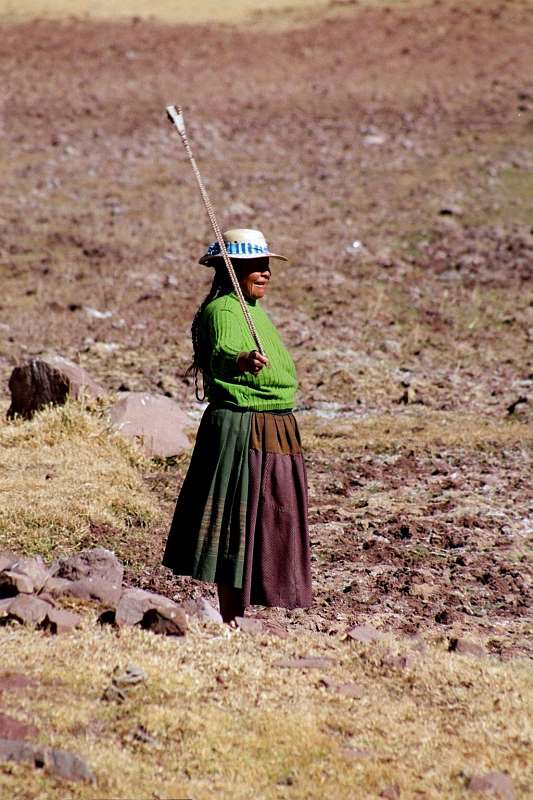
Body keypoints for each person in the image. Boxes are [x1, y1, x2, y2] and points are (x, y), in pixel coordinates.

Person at [162, 228, 312, 622]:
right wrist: (241, 359)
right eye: (254, 266)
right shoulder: (224, 311)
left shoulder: (254, 311)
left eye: (265, 265)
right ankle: (232, 618)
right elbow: (223, 350)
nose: (265, 273)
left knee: (267, 519)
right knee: (238, 526)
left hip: (272, 427)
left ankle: (242, 617)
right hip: (245, 429)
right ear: (231, 270)